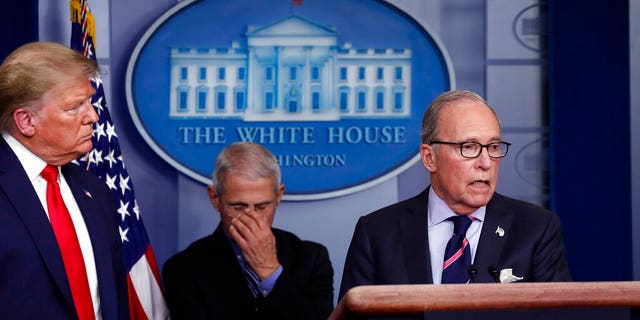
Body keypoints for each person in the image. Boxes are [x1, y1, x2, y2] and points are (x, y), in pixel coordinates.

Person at [340, 90, 571, 298]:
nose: (486, 162)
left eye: (493, 147)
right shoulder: (376, 233)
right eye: (468, 147)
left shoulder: (535, 229)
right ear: (430, 158)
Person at [0, 42, 129, 319]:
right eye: (74, 107)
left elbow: (115, 297)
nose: (93, 116)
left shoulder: (95, 191)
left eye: (90, 102)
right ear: (26, 121)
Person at [162, 141, 334, 319]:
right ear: (215, 199)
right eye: (238, 207)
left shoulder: (311, 258)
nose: (251, 217)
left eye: (262, 206)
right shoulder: (183, 269)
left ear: (278, 196)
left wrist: (270, 271)